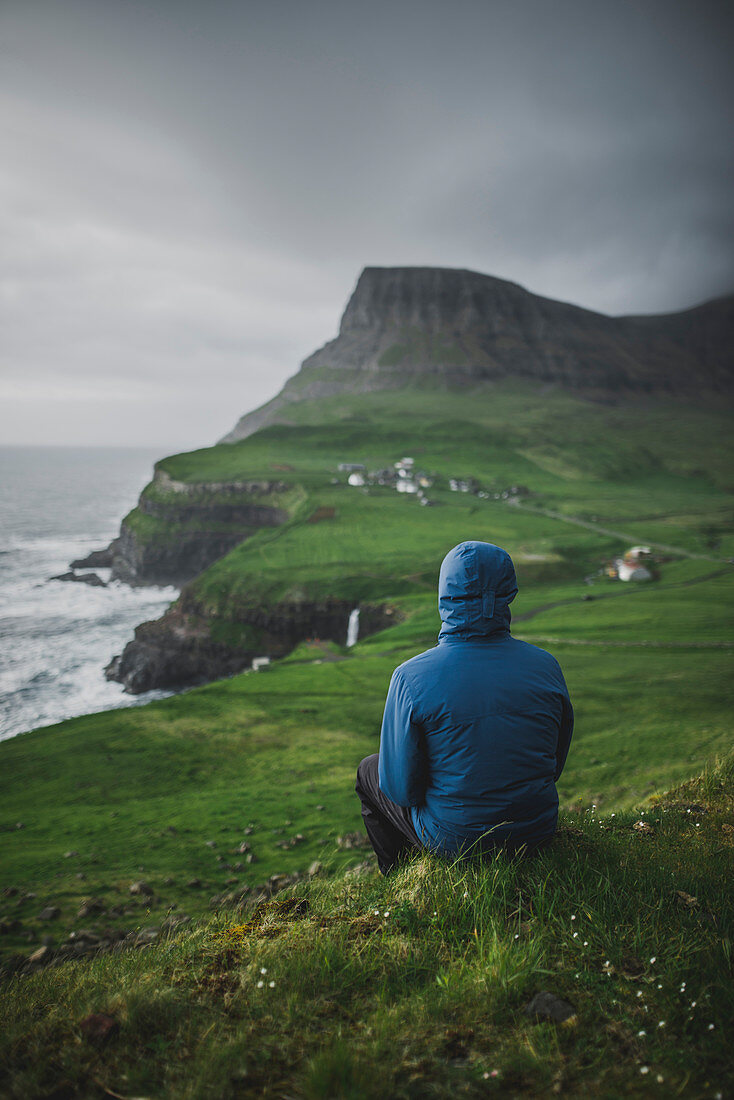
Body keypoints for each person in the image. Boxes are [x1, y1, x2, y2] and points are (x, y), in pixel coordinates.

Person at [355, 540, 574, 873]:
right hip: (536, 831)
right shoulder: (547, 666)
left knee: (369, 770)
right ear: (508, 592)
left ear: (445, 594)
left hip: (457, 841)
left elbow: (399, 790)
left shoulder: (410, 677)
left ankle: (398, 880)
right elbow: (554, 765)